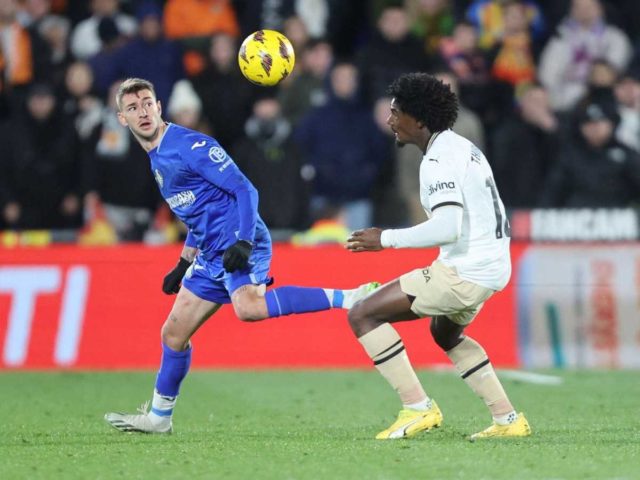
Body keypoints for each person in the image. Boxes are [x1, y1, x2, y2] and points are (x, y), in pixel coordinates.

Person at [103, 78, 377, 433]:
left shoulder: (189, 144)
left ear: (159, 105)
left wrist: (244, 241)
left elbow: (245, 189)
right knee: (173, 333)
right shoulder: (157, 156)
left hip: (238, 240)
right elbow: (198, 213)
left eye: (147, 103)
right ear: (122, 119)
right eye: (133, 107)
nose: (142, 112)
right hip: (210, 248)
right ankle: (159, 418)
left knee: (248, 308)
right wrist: (183, 263)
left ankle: (352, 297)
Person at [345, 73, 531, 441]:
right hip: (492, 265)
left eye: (397, 112)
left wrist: (386, 238)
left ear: (419, 119)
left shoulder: (438, 161)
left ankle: (417, 407)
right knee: (445, 332)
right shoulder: (464, 148)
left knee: (363, 313)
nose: (390, 120)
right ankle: (508, 420)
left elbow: (448, 228)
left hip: (465, 270)